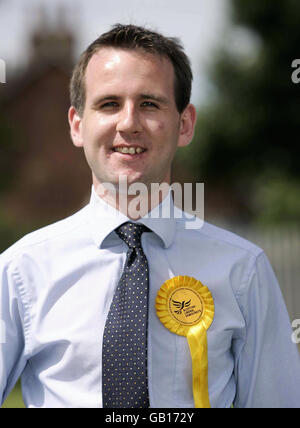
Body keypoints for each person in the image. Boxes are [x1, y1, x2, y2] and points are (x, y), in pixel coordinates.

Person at [1, 23, 300, 409]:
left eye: (150, 104)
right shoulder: (21, 271)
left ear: (185, 124)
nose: (129, 123)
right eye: (109, 104)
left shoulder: (244, 271)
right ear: (77, 125)